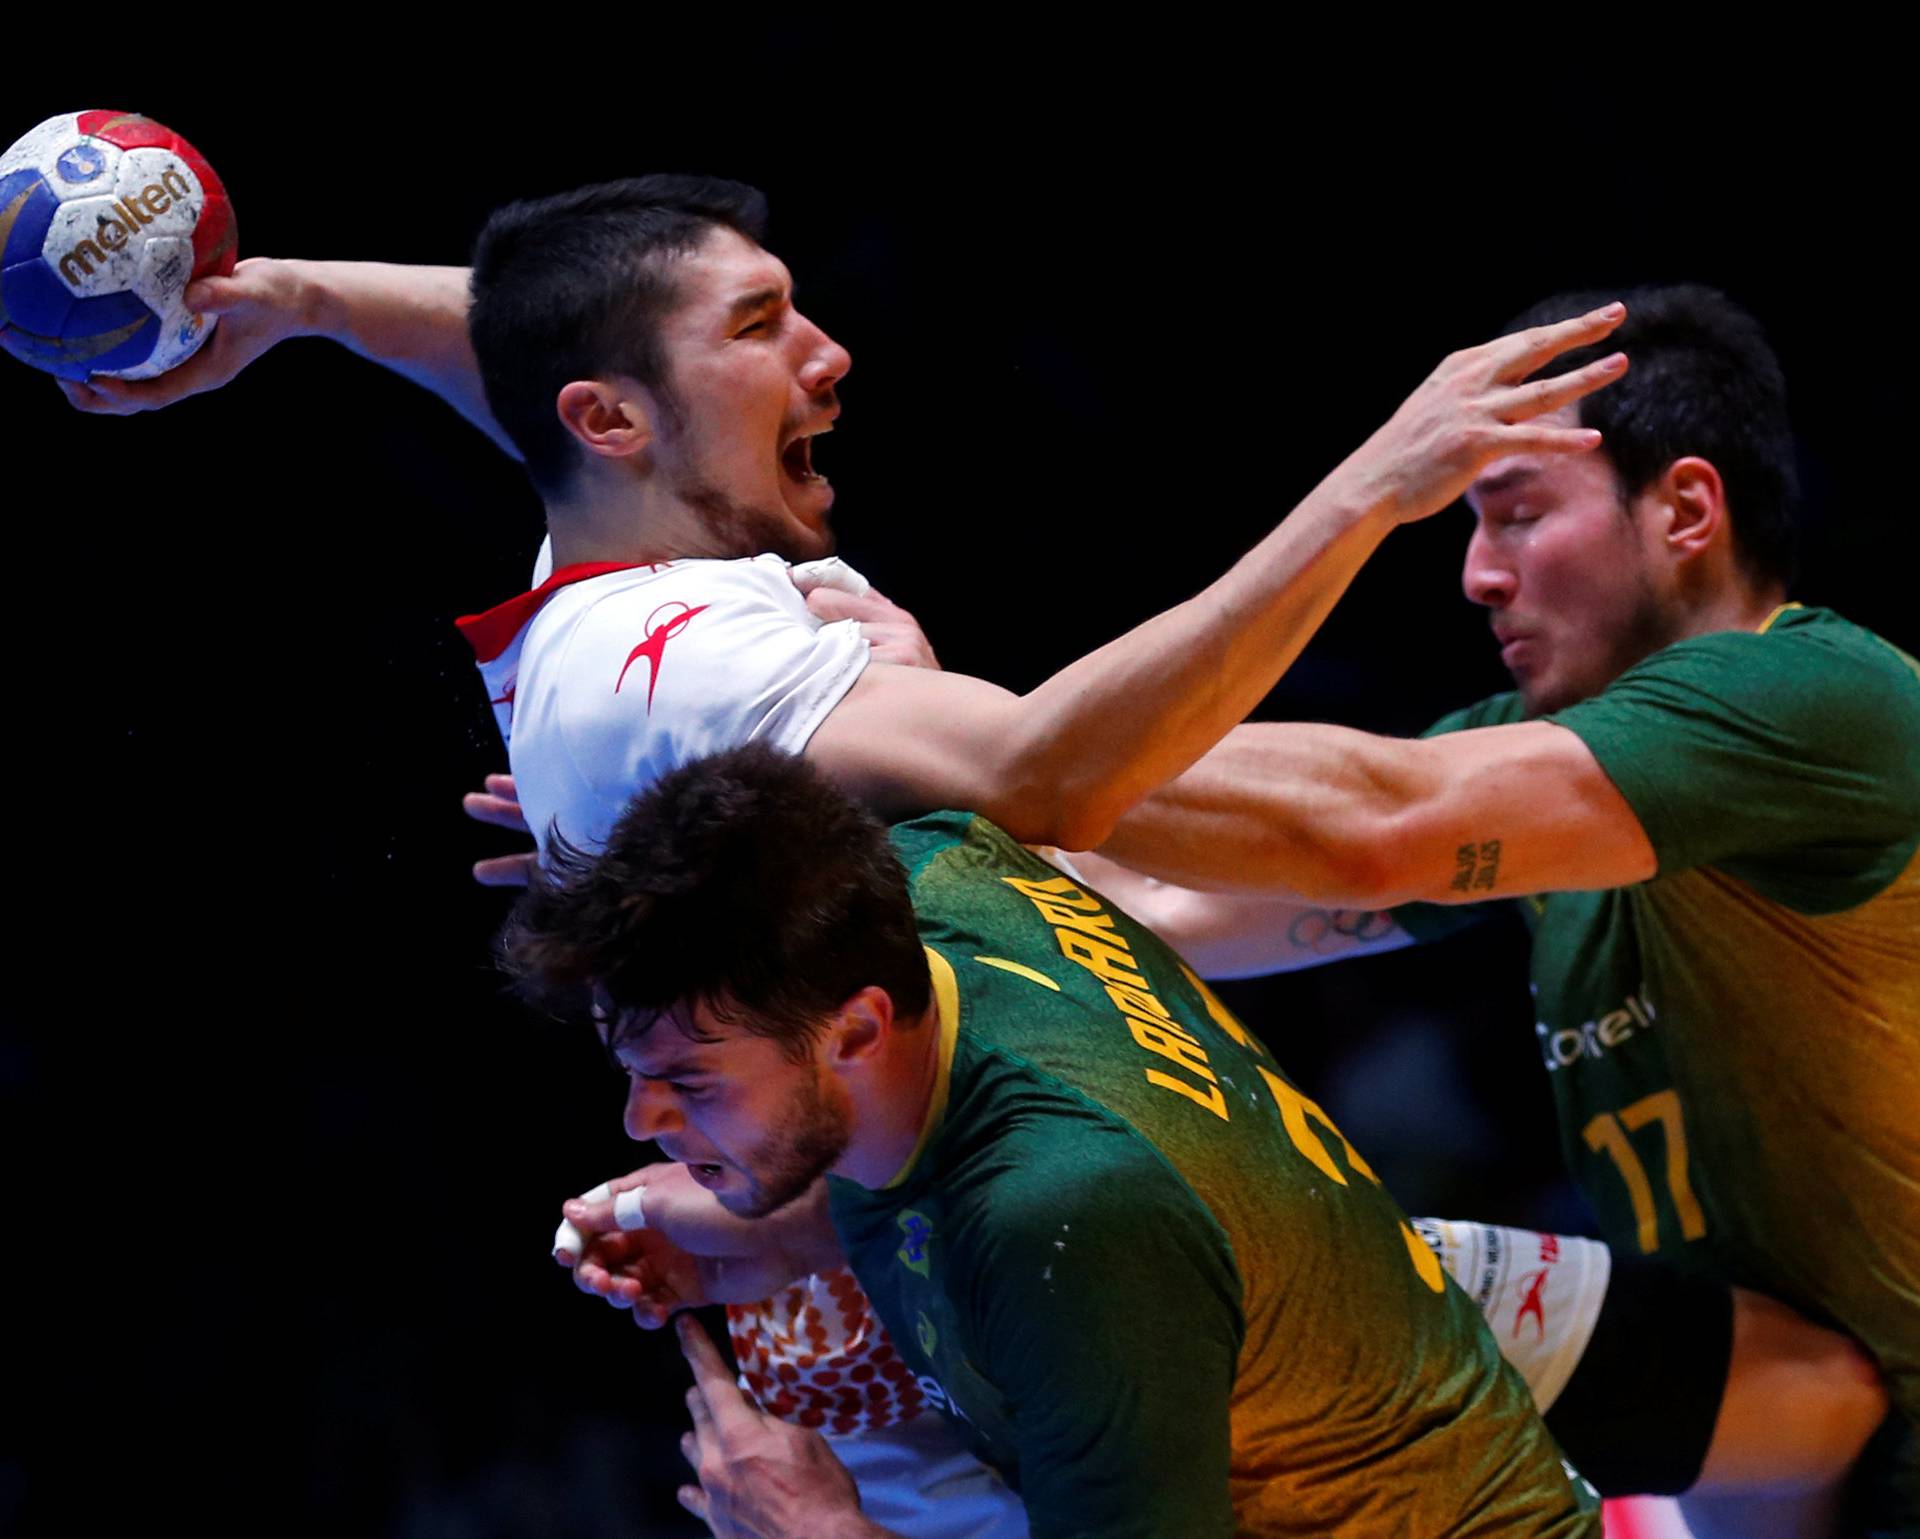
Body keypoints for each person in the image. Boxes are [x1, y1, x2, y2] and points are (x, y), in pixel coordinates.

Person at [62, 172, 1663, 1530]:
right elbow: (1050, 777)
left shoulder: (624, 558)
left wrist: (295, 297)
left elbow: (548, 351)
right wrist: (1373, 489)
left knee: (1769, 1387)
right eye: (761, 324)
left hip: (1076, 1147)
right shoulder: (684, 663)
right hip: (977, 1286)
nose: (828, 356)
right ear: (614, 416)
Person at [1078, 285, 1919, 1537]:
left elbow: (1376, 827)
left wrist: (987, 733)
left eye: (1517, 516)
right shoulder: (1544, 757)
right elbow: (1168, 904)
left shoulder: (1819, 698)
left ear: (1686, 509)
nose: (1477, 575)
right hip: (1760, 1470)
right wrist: (897, 773)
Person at [499, 740, 1607, 1539]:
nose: (641, 1121)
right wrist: (785, 1233)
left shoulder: (1057, 1228)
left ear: (857, 1031)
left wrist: (814, 1531)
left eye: (686, 1081)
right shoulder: (937, 872)